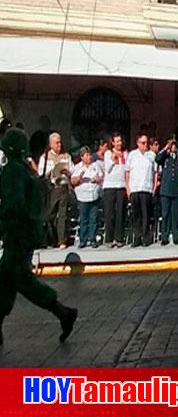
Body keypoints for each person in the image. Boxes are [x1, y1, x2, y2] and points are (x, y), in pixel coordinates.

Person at [0, 128, 78, 345]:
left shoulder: (13, 171)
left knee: (21, 280)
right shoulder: (25, 170)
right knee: (5, 280)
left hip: (17, 234)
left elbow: (13, 206)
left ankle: (64, 313)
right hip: (24, 235)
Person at [36, 132, 72, 248]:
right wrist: (51, 171)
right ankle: (52, 238)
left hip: (63, 187)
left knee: (63, 215)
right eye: (57, 143)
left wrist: (67, 172)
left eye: (60, 142)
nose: (59, 145)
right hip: (51, 189)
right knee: (49, 216)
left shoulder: (66, 156)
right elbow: (40, 174)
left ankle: (62, 240)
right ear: (51, 144)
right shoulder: (45, 157)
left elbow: (72, 169)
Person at [126, 134, 157, 247]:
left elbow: (155, 172)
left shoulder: (151, 155)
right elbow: (127, 172)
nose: (145, 145)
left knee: (146, 214)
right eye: (142, 143)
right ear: (138, 143)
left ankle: (145, 237)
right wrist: (128, 188)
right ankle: (137, 237)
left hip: (146, 188)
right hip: (134, 188)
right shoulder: (132, 155)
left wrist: (153, 188)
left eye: (146, 142)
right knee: (136, 215)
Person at [70, 146, 104, 248]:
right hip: (83, 197)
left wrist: (97, 179)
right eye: (86, 155)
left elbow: (101, 177)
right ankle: (83, 240)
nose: (89, 157)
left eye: (89, 155)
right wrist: (80, 177)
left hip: (94, 195)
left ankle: (92, 239)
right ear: (82, 157)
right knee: (84, 219)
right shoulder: (77, 167)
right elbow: (73, 181)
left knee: (93, 219)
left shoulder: (96, 165)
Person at [155, 137, 178, 246]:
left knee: (175, 214)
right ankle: (165, 237)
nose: (173, 147)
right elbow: (157, 159)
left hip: (176, 189)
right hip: (165, 189)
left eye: (174, 145)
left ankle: (176, 236)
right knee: (165, 214)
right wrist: (165, 148)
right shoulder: (164, 156)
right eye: (171, 145)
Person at [102, 133, 127, 248]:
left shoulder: (125, 154)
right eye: (116, 141)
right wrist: (113, 158)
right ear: (112, 143)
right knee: (109, 213)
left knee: (120, 213)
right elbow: (107, 168)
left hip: (121, 186)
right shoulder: (108, 153)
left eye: (120, 141)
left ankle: (119, 238)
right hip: (110, 186)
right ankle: (109, 238)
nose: (119, 143)